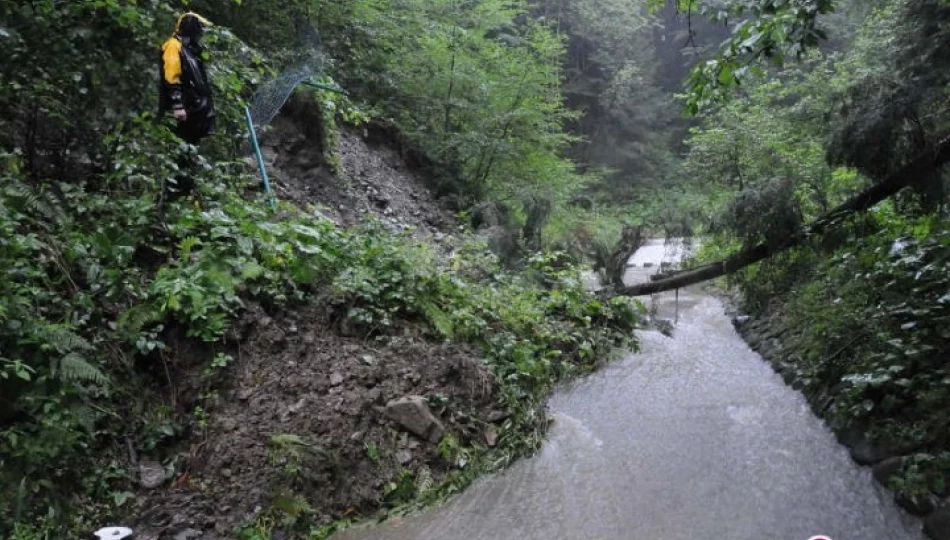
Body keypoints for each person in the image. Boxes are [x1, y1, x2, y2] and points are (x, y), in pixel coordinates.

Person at [159, 12, 216, 145]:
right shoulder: (173, 45)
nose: (201, 35)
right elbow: (171, 77)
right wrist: (177, 105)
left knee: (189, 147)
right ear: (192, 29)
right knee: (179, 146)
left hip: (192, 110)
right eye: (199, 30)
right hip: (182, 111)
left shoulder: (189, 49)